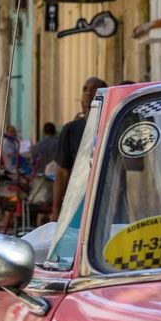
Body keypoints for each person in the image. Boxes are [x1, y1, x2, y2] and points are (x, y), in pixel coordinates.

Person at [52, 77, 108, 218]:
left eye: (94, 88)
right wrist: (55, 211)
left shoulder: (111, 126)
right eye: (85, 89)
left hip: (107, 202)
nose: (89, 93)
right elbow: (62, 173)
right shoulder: (71, 130)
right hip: (78, 204)